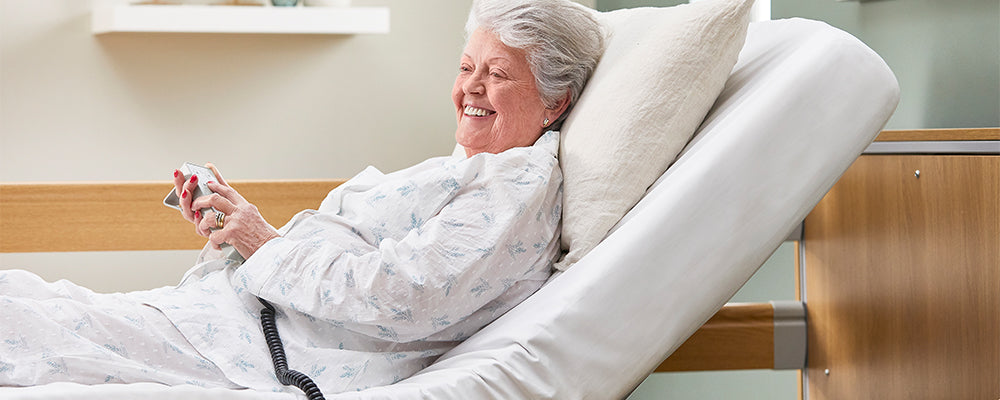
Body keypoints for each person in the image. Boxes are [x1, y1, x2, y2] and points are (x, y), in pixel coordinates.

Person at [0, 0, 604, 394]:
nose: (470, 88)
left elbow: (404, 295)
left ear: (555, 102)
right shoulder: (470, 169)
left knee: (23, 320)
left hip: (259, 355)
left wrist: (260, 240)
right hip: (229, 324)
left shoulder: (515, 190)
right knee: (21, 298)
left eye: (497, 74)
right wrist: (234, 235)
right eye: (467, 66)